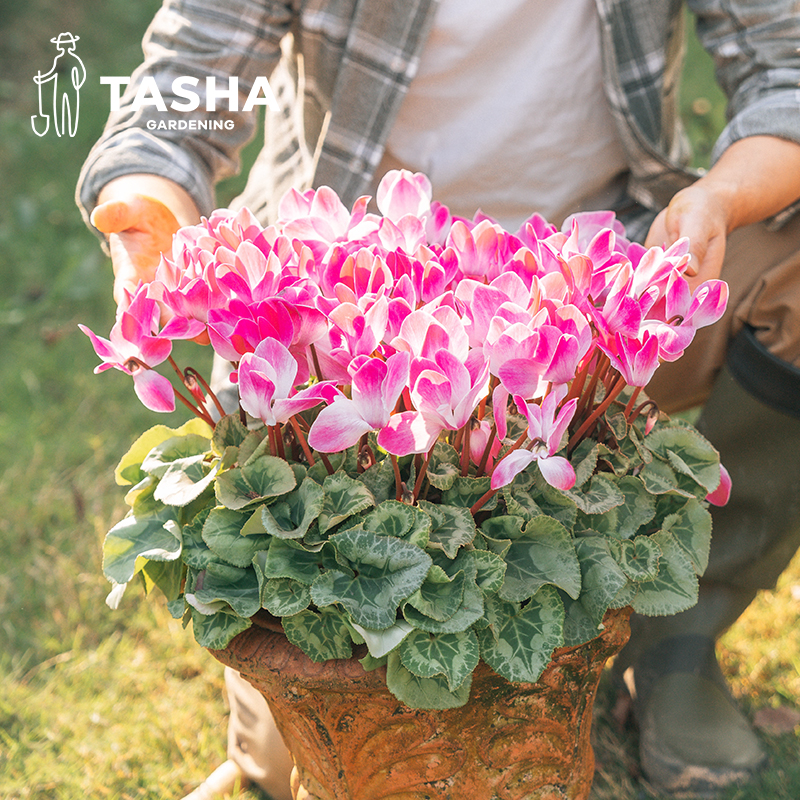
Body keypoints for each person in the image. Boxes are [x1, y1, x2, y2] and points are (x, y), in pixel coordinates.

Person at [77, 1, 800, 798]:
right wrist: (150, 200)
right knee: (295, 762)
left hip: (593, 288)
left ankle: (677, 643)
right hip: (343, 308)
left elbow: (787, 68)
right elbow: (186, 80)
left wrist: (719, 200)